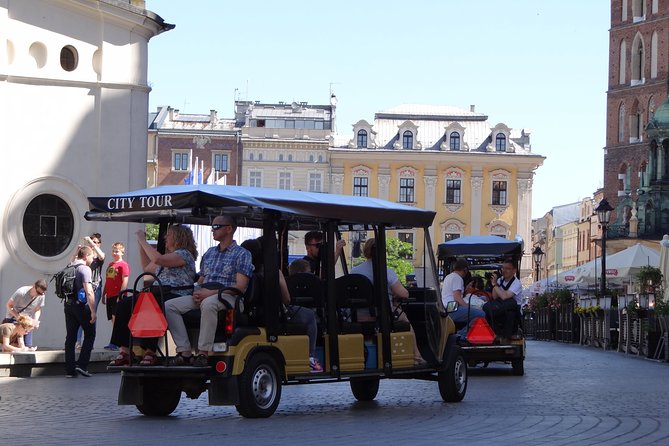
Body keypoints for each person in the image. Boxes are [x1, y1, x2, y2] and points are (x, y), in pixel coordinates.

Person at [165, 215, 253, 367]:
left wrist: (209, 294)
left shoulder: (242, 254)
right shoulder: (210, 253)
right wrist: (197, 292)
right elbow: (201, 279)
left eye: (216, 226)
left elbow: (240, 287)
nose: (212, 230)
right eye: (212, 227)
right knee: (169, 305)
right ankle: (185, 351)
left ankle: (203, 353)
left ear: (229, 229)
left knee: (209, 304)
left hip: (228, 296)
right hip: (206, 293)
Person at [109, 226, 197, 366]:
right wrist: (140, 245)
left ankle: (150, 350)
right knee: (124, 304)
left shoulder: (184, 254)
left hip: (176, 294)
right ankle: (125, 350)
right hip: (159, 293)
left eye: (168, 235)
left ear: (178, 237)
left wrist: (143, 240)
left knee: (150, 305)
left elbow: (157, 259)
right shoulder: (167, 257)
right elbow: (147, 268)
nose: (165, 238)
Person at [242, 238, 322, 372]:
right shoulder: (274, 272)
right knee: (309, 315)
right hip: (274, 314)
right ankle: (310, 357)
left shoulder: (241, 272)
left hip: (248, 313)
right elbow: (286, 299)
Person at [350, 238, 427, 366]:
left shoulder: (355, 271)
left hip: (359, 315)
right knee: (406, 320)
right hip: (382, 315)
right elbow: (404, 294)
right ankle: (417, 356)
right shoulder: (386, 271)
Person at [64, 246, 97, 377]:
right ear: (85, 256)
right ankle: (82, 365)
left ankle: (70, 370)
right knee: (90, 334)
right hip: (81, 306)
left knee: (70, 338)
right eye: (91, 257)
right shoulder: (85, 269)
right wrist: (93, 311)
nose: (93, 259)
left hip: (68, 305)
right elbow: (89, 291)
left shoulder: (69, 266)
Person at [73, 234, 105, 350]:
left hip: (94, 288)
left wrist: (91, 243)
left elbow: (101, 255)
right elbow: (72, 262)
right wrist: (78, 250)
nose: (94, 244)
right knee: (80, 314)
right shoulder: (85, 257)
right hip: (82, 289)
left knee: (92, 315)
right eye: (92, 242)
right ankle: (77, 341)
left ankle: (89, 341)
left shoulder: (98, 258)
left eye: (96, 242)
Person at [441, 258, 486, 338]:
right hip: (452, 308)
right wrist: (470, 307)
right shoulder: (458, 278)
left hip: (446, 307)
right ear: (465, 269)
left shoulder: (449, 276)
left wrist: (465, 289)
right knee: (480, 314)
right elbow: (457, 298)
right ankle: (460, 335)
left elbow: (454, 294)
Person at [483, 259, 523, 342]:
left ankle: (507, 335)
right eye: (503, 268)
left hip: (513, 311)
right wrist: (495, 284)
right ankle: (495, 334)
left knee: (509, 310)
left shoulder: (516, 283)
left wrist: (495, 285)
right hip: (501, 307)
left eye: (507, 268)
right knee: (488, 309)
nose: (504, 271)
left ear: (514, 270)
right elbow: (495, 296)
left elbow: (505, 296)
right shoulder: (500, 280)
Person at [101, 242, 130, 350]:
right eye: (113, 251)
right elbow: (107, 281)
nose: (114, 253)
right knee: (113, 320)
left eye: (117, 251)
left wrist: (121, 294)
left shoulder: (124, 265)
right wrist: (104, 294)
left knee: (117, 319)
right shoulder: (110, 265)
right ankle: (114, 342)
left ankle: (118, 344)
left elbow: (125, 280)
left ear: (122, 252)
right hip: (110, 295)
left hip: (118, 296)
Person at [4, 279, 47, 348]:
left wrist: (35, 320)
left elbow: (37, 309)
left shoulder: (41, 296)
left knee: (27, 345)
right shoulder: (21, 292)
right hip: (13, 318)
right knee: (13, 346)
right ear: (33, 286)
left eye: (41, 293)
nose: (39, 295)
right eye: (38, 292)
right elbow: (9, 305)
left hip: (27, 321)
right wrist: (17, 316)